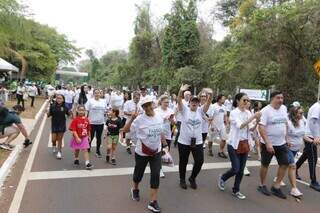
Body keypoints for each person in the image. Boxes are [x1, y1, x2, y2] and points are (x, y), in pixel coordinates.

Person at [123, 96, 168, 213]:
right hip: (142, 152)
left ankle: (153, 202)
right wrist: (132, 118)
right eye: (145, 106)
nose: (148, 107)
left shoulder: (159, 116)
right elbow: (125, 130)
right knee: (138, 174)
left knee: (155, 174)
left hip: (156, 151)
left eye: (149, 104)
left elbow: (160, 131)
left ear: (153, 104)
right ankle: (135, 189)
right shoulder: (139, 119)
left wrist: (165, 145)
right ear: (142, 108)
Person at [218, 93, 261, 199]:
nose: (247, 102)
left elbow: (250, 128)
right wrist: (253, 117)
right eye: (244, 100)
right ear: (238, 101)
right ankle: (223, 178)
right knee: (235, 169)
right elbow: (240, 126)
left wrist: (256, 122)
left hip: (245, 144)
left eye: (248, 100)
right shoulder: (233, 113)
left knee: (241, 170)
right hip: (234, 144)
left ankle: (236, 190)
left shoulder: (248, 112)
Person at [177, 85, 212, 190]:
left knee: (199, 161)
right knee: (183, 161)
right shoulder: (184, 110)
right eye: (193, 101)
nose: (194, 102)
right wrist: (181, 91)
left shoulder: (201, 111)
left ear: (198, 103)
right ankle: (182, 179)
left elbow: (209, 102)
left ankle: (192, 178)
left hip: (197, 141)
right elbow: (179, 100)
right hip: (184, 141)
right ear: (190, 102)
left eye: (196, 101)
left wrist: (210, 94)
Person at [257, 91, 289, 199]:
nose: (280, 100)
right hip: (268, 144)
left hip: (281, 143)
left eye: (282, 98)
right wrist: (267, 143)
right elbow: (261, 127)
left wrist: (286, 138)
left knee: (285, 163)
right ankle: (262, 185)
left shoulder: (284, 108)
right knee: (265, 164)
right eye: (278, 98)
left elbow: (285, 123)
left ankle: (276, 186)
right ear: (272, 99)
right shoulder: (265, 111)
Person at [281, 105, 305, 197]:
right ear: (294, 113)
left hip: (296, 148)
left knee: (286, 165)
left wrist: (312, 140)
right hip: (287, 148)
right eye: (300, 113)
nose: (302, 114)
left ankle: (278, 178)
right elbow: (284, 134)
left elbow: (303, 135)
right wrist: (287, 141)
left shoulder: (302, 121)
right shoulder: (288, 122)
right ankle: (294, 189)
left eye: (302, 113)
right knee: (293, 166)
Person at [296, 101, 320, 192]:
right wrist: (316, 136)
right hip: (310, 136)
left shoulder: (317, 106)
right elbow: (313, 122)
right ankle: (313, 182)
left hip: (312, 135)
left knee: (306, 155)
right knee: (312, 159)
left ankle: (294, 168)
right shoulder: (317, 107)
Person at [155, 95, 175, 178]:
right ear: (161, 102)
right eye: (165, 102)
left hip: (167, 134)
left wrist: (171, 120)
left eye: (168, 102)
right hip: (158, 134)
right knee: (158, 152)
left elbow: (174, 123)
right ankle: (159, 169)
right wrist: (163, 119)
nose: (167, 104)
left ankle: (159, 166)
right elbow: (154, 122)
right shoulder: (156, 111)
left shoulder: (170, 110)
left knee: (165, 152)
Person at [69, 105, 93, 170]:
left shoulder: (86, 119)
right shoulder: (75, 120)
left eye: (83, 110)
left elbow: (88, 129)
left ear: (85, 111)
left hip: (84, 137)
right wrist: (77, 137)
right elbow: (73, 130)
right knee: (77, 149)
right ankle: (76, 158)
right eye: (80, 110)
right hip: (77, 137)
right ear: (77, 110)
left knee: (85, 149)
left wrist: (89, 136)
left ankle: (87, 163)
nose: (81, 111)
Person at [85, 89, 107, 158]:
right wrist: (85, 120)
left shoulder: (103, 101)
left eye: (98, 93)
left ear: (100, 94)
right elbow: (86, 111)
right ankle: (88, 147)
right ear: (93, 94)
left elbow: (105, 111)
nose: (97, 94)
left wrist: (107, 119)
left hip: (100, 122)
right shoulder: (90, 101)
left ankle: (98, 150)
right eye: (96, 93)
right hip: (91, 122)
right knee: (90, 137)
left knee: (99, 137)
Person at [47, 94, 71, 159]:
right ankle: (54, 145)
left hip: (62, 125)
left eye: (60, 98)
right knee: (53, 139)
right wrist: (48, 110)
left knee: (60, 139)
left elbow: (69, 115)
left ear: (63, 100)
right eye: (57, 98)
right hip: (54, 124)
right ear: (56, 99)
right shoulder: (52, 106)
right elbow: (48, 115)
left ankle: (59, 152)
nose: (59, 99)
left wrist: (70, 112)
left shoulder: (65, 107)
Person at [208, 94, 228, 159]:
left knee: (224, 139)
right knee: (211, 139)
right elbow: (210, 117)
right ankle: (210, 150)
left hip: (222, 125)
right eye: (223, 98)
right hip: (214, 125)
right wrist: (211, 126)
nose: (224, 100)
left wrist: (226, 123)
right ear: (219, 99)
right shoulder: (213, 106)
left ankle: (221, 151)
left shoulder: (224, 107)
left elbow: (225, 116)